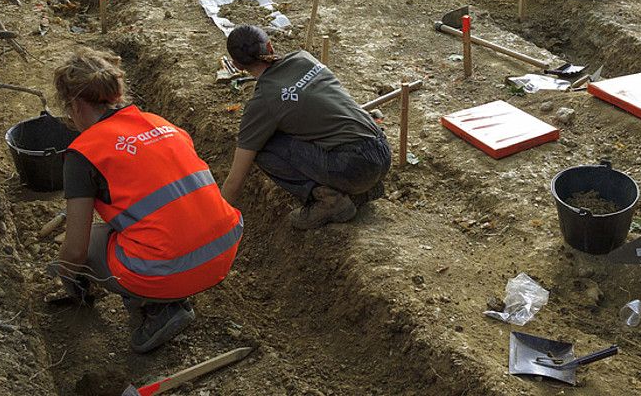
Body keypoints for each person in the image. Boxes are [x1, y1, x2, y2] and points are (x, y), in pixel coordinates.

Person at [52, 48, 242, 353]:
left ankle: (158, 309)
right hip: (224, 250)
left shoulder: (83, 152)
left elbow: (74, 248)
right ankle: (164, 294)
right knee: (126, 231)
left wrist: (66, 277)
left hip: (172, 270)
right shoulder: (159, 122)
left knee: (86, 247)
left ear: (74, 105)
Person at [220, 25, 391, 230]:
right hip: (382, 152)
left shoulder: (263, 101)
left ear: (236, 65)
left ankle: (330, 202)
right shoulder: (303, 58)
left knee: (262, 146)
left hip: (353, 167)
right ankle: (362, 190)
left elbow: (235, 180)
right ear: (270, 46)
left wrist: (216, 221)